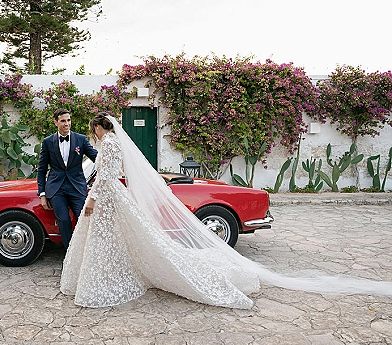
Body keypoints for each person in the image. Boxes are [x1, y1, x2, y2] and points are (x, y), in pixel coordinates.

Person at [60, 113, 392, 309]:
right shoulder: (111, 144)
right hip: (111, 196)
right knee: (117, 240)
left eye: (94, 130)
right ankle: (102, 278)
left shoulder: (111, 145)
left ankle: (103, 281)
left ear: (100, 129)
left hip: (107, 196)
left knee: (116, 240)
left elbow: (105, 176)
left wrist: (90, 199)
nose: (94, 135)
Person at [37, 108, 98, 250]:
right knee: (63, 220)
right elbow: (41, 170)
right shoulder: (47, 142)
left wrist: (111, 155)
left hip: (76, 187)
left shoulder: (81, 140)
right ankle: (70, 252)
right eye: (63, 121)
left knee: (83, 218)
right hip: (56, 188)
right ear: (55, 122)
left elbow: (96, 157)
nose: (67, 124)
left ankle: (86, 250)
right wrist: (42, 193)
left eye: (68, 120)